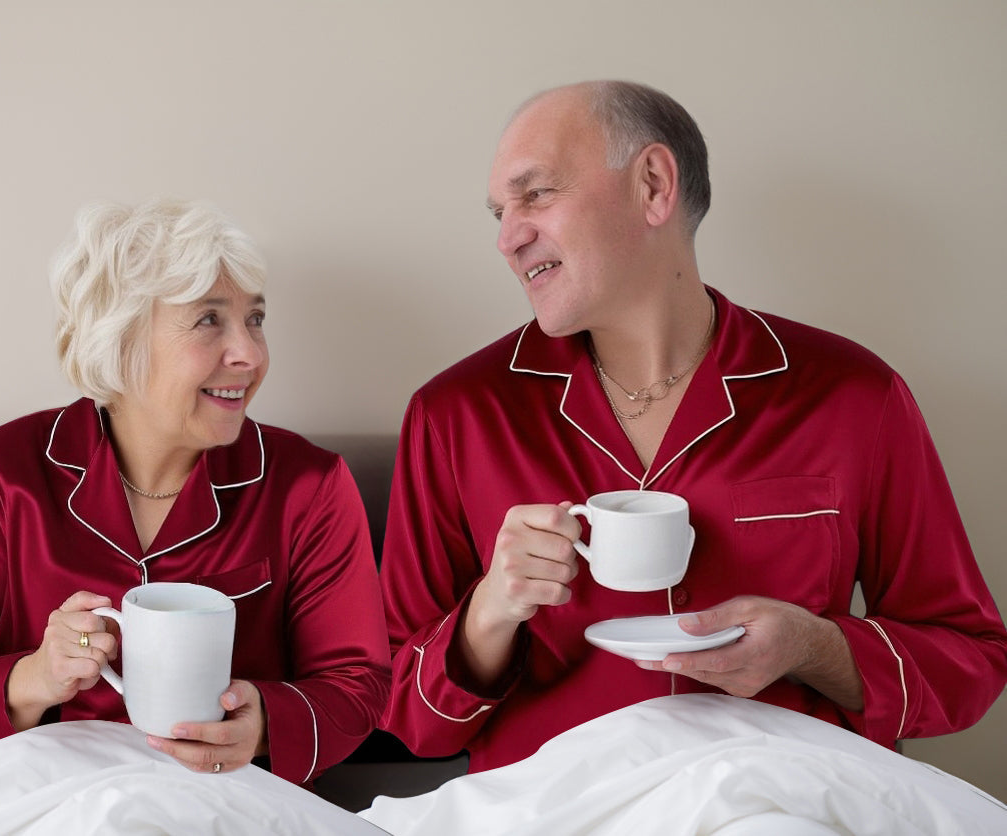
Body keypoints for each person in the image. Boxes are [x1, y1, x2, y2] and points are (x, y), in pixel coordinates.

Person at [379, 80, 1007, 773]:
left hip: (780, 801)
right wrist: (489, 613)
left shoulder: (854, 395)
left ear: (653, 184)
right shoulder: (456, 415)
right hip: (556, 807)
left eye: (536, 194)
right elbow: (403, 714)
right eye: (499, 212)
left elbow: (970, 662)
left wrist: (814, 647)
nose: (507, 238)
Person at [0, 199, 391, 786]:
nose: (249, 353)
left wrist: (263, 723)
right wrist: (35, 677)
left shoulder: (309, 484)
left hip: (222, 807)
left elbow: (359, 687)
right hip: (33, 799)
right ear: (120, 341)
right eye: (208, 320)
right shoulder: (3, 474)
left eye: (256, 320)